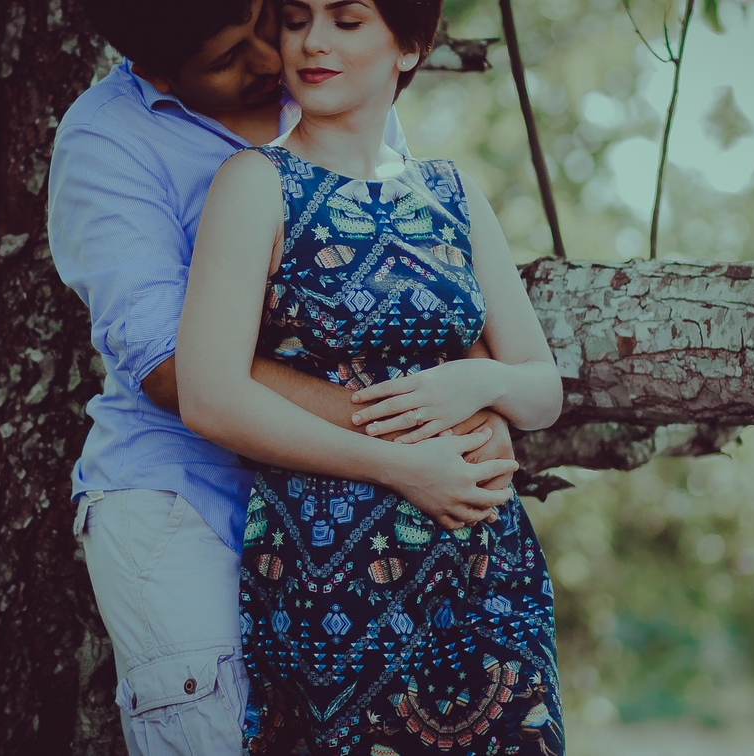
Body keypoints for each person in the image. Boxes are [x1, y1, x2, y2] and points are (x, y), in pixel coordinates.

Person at [47, 0, 516, 752]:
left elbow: (411, 297)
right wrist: (417, 431)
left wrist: (479, 405)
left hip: (341, 509)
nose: (271, 60)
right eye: (228, 58)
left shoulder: (326, 83)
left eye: (267, 25)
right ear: (158, 72)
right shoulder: (108, 139)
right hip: (187, 500)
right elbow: (171, 369)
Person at [175, 0, 566, 752]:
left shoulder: (452, 192)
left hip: (485, 567)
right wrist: (402, 467)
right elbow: (210, 397)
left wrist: (477, 386)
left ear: (410, 46)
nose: (311, 42)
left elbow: (543, 389)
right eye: (296, 20)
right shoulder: (255, 183)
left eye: (346, 21)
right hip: (333, 570)